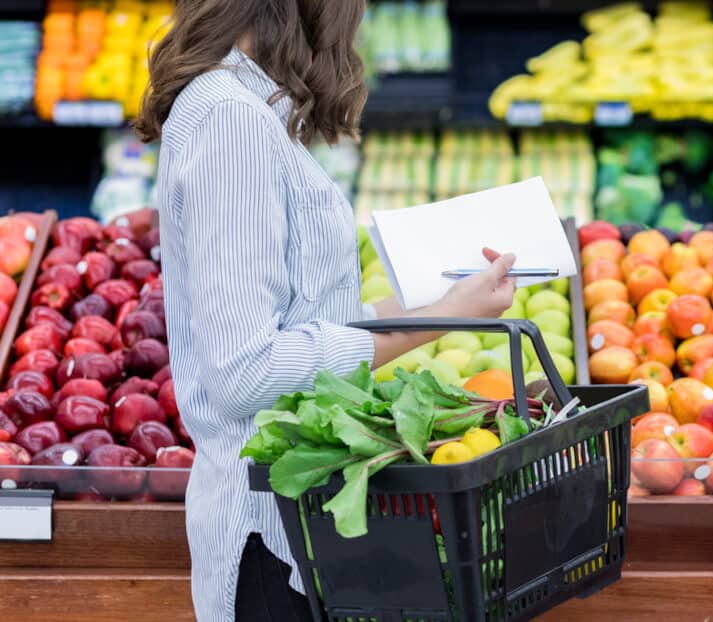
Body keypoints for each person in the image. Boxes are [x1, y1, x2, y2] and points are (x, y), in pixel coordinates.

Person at [136, 2, 516, 620]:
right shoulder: (230, 122)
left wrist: (442, 305)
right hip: (270, 541)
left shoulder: (244, 112)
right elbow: (246, 371)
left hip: (301, 530)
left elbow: (301, 320)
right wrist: (438, 320)